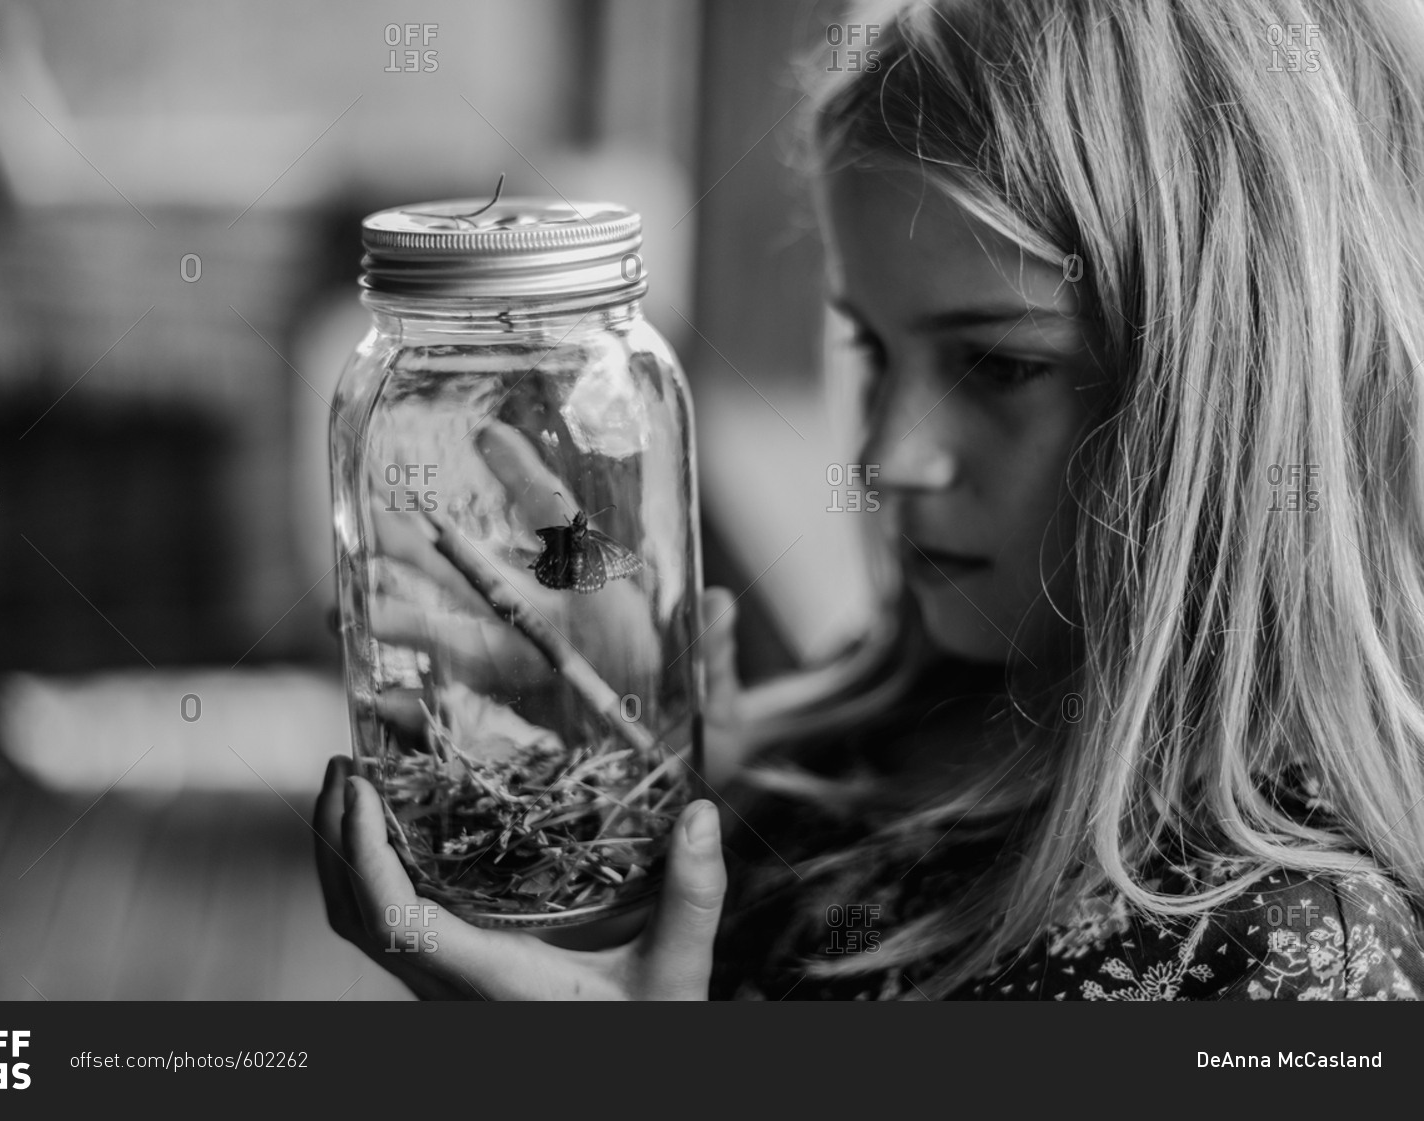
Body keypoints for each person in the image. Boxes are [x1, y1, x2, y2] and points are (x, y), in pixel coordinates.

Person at [314, 0, 1424, 999]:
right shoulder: (860, 744)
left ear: (1233, 399)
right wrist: (633, 761)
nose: (890, 455)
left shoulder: (1292, 964)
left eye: (997, 365)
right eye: (870, 346)